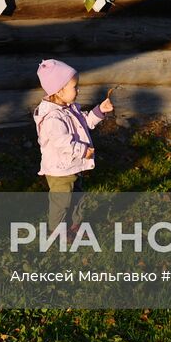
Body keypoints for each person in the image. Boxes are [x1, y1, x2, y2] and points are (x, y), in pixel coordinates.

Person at [33, 59, 113, 237]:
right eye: (75, 87)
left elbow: (84, 123)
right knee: (61, 201)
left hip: (73, 165)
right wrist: (83, 151)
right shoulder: (53, 118)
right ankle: (57, 230)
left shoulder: (69, 109)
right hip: (60, 170)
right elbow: (62, 142)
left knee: (77, 196)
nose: (78, 90)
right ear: (59, 91)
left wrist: (100, 110)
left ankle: (75, 225)